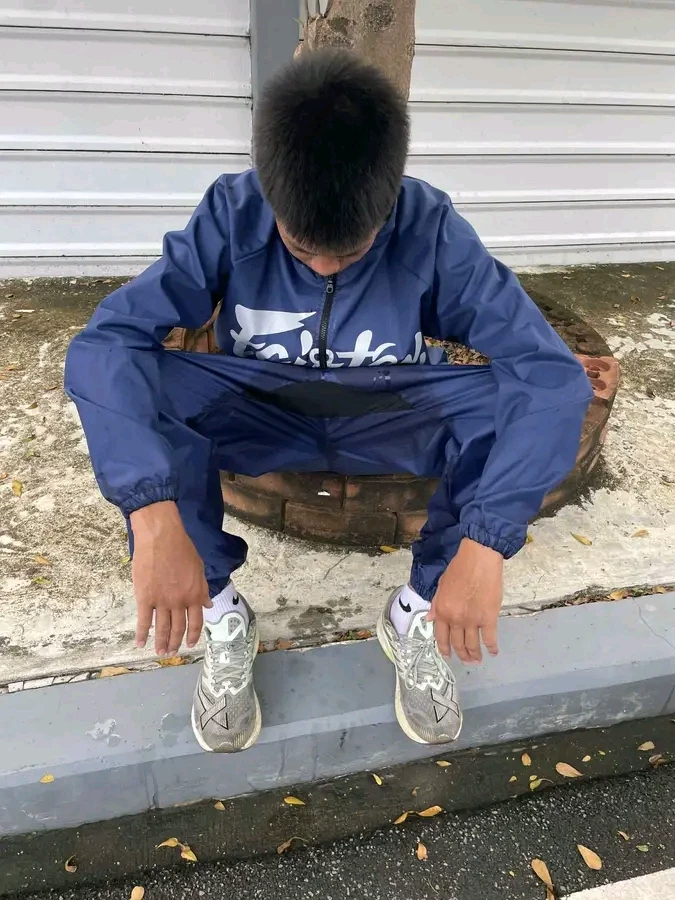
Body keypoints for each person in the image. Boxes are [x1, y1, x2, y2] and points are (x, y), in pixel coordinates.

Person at [65, 50, 592, 753]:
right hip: (257, 403)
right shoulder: (231, 213)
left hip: (388, 408)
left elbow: (551, 375)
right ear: (271, 193)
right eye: (302, 246)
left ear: (389, 198)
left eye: (347, 254)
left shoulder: (429, 226)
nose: (320, 267)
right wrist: (151, 513)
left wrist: (486, 543)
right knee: (136, 382)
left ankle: (417, 610)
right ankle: (221, 610)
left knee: (516, 400)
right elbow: (105, 344)